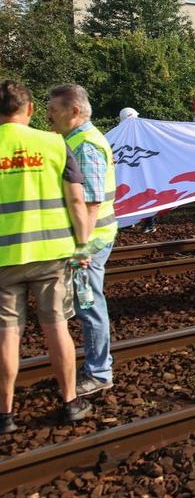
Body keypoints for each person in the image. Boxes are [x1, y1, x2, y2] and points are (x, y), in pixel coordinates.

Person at [0, 80, 93, 431]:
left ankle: (5, 414)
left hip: (4, 258)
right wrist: (82, 244)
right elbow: (76, 201)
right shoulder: (54, 143)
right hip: (52, 255)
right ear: (30, 110)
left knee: (7, 334)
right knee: (56, 327)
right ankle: (70, 402)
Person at [47, 84, 119, 397]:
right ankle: (97, 367)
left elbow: (89, 203)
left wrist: (81, 247)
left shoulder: (85, 144)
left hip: (90, 240)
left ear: (74, 111)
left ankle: (99, 372)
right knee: (88, 304)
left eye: (53, 110)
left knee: (89, 305)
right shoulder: (77, 139)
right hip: (92, 237)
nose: (48, 115)